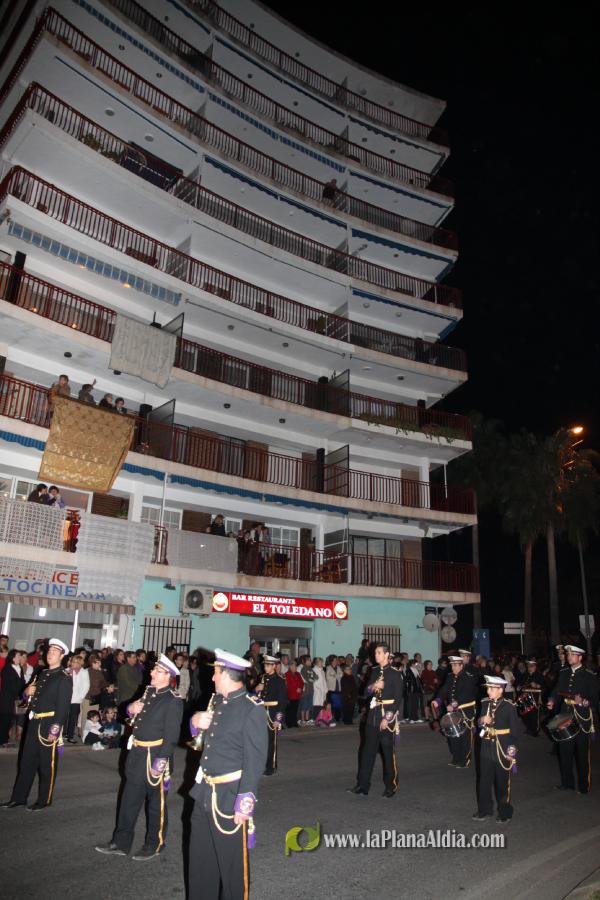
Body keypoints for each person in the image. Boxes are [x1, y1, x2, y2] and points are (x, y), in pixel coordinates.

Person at [188, 648, 268, 900]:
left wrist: (245, 802)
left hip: (229, 797)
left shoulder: (251, 708)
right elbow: (206, 740)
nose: (212, 677)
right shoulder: (218, 702)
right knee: (200, 862)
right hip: (204, 793)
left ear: (226, 675)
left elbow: (255, 761)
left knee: (233, 869)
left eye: (215, 673)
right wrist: (194, 721)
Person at [95, 654, 183, 859]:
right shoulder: (149, 692)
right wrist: (130, 708)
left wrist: (160, 762)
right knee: (129, 799)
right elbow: (134, 713)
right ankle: (121, 842)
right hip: (137, 752)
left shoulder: (173, 700)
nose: (152, 672)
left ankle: (154, 843)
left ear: (168, 676)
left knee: (156, 803)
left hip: (155, 754)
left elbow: (171, 737)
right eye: (153, 669)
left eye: (157, 671)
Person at [1, 638, 72, 811]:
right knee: (26, 763)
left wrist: (55, 729)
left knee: (47, 765)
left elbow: (63, 708)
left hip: (49, 724)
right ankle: (19, 798)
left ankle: (44, 799)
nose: (50, 654)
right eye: (49, 651)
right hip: (34, 722)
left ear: (61, 656)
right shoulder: (42, 673)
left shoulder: (64, 677)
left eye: (55, 652)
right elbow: (27, 698)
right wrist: (26, 692)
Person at [348, 642, 403, 798]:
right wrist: (374, 686)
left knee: (387, 753)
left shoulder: (395, 673)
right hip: (372, 717)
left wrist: (387, 718)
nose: (376, 655)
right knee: (367, 752)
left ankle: (391, 785)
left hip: (387, 717)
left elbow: (397, 699)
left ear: (386, 654)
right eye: (375, 652)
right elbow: (365, 692)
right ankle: (363, 785)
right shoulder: (374, 671)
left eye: (379, 652)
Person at [547, 644, 598, 794]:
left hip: (581, 718)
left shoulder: (589, 675)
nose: (569, 657)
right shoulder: (564, 673)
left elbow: (595, 699)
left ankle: (583, 786)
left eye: (572, 655)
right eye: (568, 654)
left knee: (582, 754)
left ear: (580, 657)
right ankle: (567, 783)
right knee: (565, 752)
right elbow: (557, 690)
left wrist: (583, 702)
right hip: (565, 715)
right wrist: (552, 700)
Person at [473, 675, 519, 824]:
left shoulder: (509, 706)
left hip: (502, 748)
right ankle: (484, 810)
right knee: (484, 781)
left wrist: (511, 752)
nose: (488, 691)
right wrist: (482, 720)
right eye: (488, 688)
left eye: (491, 689)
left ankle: (505, 812)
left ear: (500, 690)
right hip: (486, 747)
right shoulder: (485, 702)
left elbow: (515, 732)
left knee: (502, 783)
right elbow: (479, 721)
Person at [433, 655, 478, 768]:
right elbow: (444, 689)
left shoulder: (468, 677)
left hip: (465, 710)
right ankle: (456, 757)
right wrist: (438, 700)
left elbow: (465, 694)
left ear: (461, 666)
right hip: (453, 711)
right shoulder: (450, 676)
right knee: (453, 735)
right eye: (452, 665)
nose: (452, 667)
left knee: (465, 737)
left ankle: (465, 759)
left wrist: (454, 704)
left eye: (455, 665)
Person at [256, 654, 287, 774]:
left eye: (268, 665)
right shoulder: (263, 678)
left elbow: (282, 702)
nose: (265, 668)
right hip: (261, 712)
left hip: (272, 713)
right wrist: (257, 689)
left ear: (274, 666)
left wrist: (278, 719)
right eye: (265, 665)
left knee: (270, 742)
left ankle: (270, 767)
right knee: (260, 741)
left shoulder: (279, 681)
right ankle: (260, 764)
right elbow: (257, 696)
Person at [0, 650, 25, 746]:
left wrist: (24, 691)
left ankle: (5, 740)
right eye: (18, 656)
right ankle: (2, 740)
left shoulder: (20, 668)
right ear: (13, 658)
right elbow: (9, 685)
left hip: (16, 698)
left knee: (11, 720)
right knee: (5, 720)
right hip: (7, 699)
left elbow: (22, 682)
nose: (20, 658)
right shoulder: (7, 669)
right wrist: (20, 691)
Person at [66, 654, 90, 743]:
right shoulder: (67, 671)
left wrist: (80, 697)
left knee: (73, 718)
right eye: (72, 662)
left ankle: (70, 736)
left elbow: (86, 686)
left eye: (75, 662)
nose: (73, 663)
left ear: (80, 663)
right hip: (66, 698)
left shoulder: (84, 672)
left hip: (76, 699)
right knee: (63, 717)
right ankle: (62, 734)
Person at [518, 659, 545, 737]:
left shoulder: (539, 675)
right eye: (528, 666)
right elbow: (520, 683)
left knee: (534, 716)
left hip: (535, 699)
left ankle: (535, 731)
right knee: (525, 714)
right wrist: (519, 686)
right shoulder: (526, 675)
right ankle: (529, 728)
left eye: (531, 666)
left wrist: (537, 685)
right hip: (525, 698)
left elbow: (543, 686)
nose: (529, 668)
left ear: (535, 667)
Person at [284, 660, 303, 727]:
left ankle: (294, 722)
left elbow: (301, 682)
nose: (296, 667)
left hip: (297, 695)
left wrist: (300, 688)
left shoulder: (298, 674)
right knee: (289, 710)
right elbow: (287, 685)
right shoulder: (286, 674)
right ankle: (289, 723)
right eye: (294, 666)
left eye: (296, 666)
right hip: (290, 695)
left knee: (295, 709)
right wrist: (295, 689)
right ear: (290, 666)